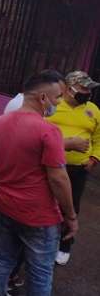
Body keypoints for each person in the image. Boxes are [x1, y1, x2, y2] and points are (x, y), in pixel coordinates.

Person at [0, 71, 78, 296]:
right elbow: (58, 178)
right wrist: (71, 217)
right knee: (40, 272)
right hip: (38, 215)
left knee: (2, 258)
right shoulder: (49, 131)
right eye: (57, 98)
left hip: (4, 205)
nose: (58, 103)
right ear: (43, 98)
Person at [47, 71, 100, 265]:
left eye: (89, 89)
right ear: (69, 89)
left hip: (77, 169)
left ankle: (64, 245)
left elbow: (98, 138)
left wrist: (94, 158)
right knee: (45, 203)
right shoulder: (53, 106)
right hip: (50, 166)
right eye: (84, 88)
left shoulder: (93, 110)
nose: (88, 92)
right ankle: (42, 240)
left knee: (70, 206)